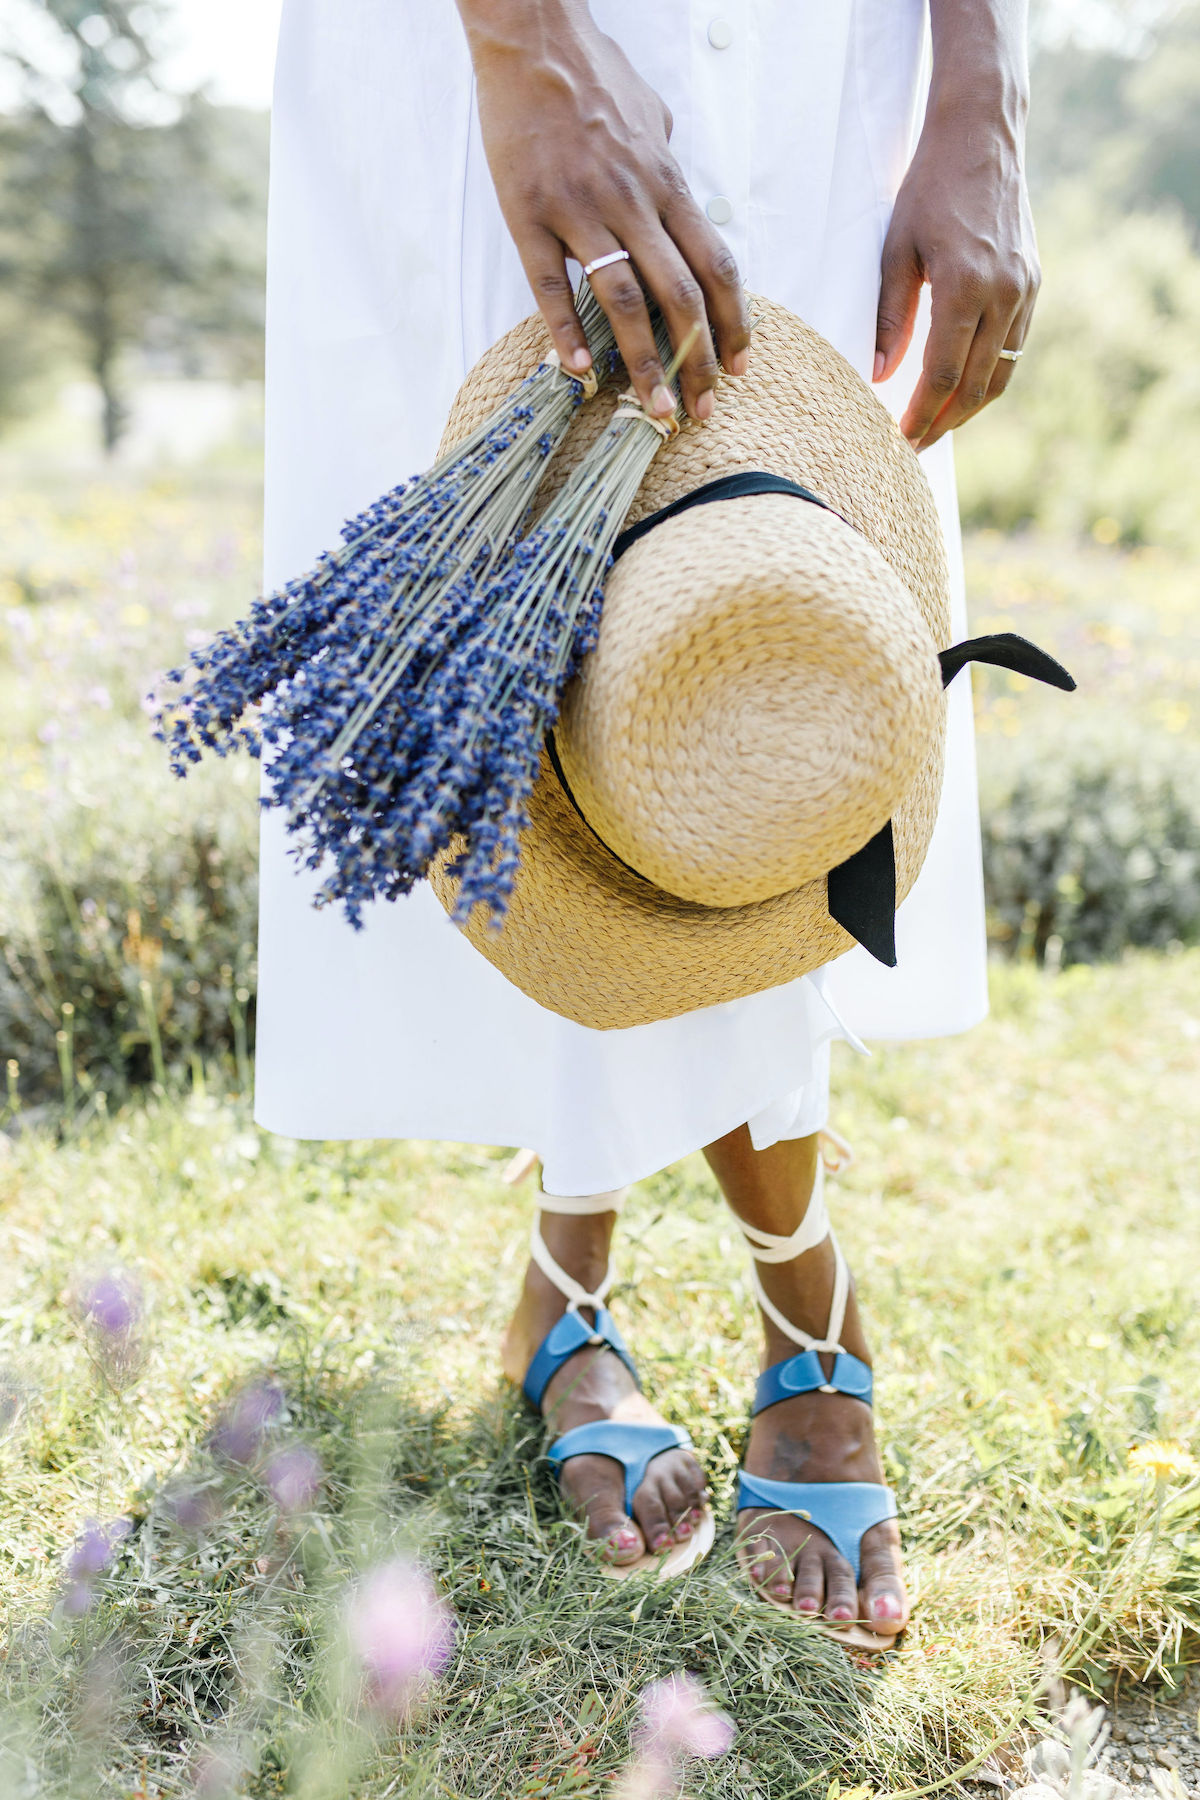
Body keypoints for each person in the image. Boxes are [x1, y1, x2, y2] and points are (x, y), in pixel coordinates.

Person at [255, 0, 1039, 1639]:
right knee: (563, 666)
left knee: (770, 630)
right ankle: (805, 1317)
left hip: (836, 49)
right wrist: (524, 44)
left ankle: (574, 1283)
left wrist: (984, 94)